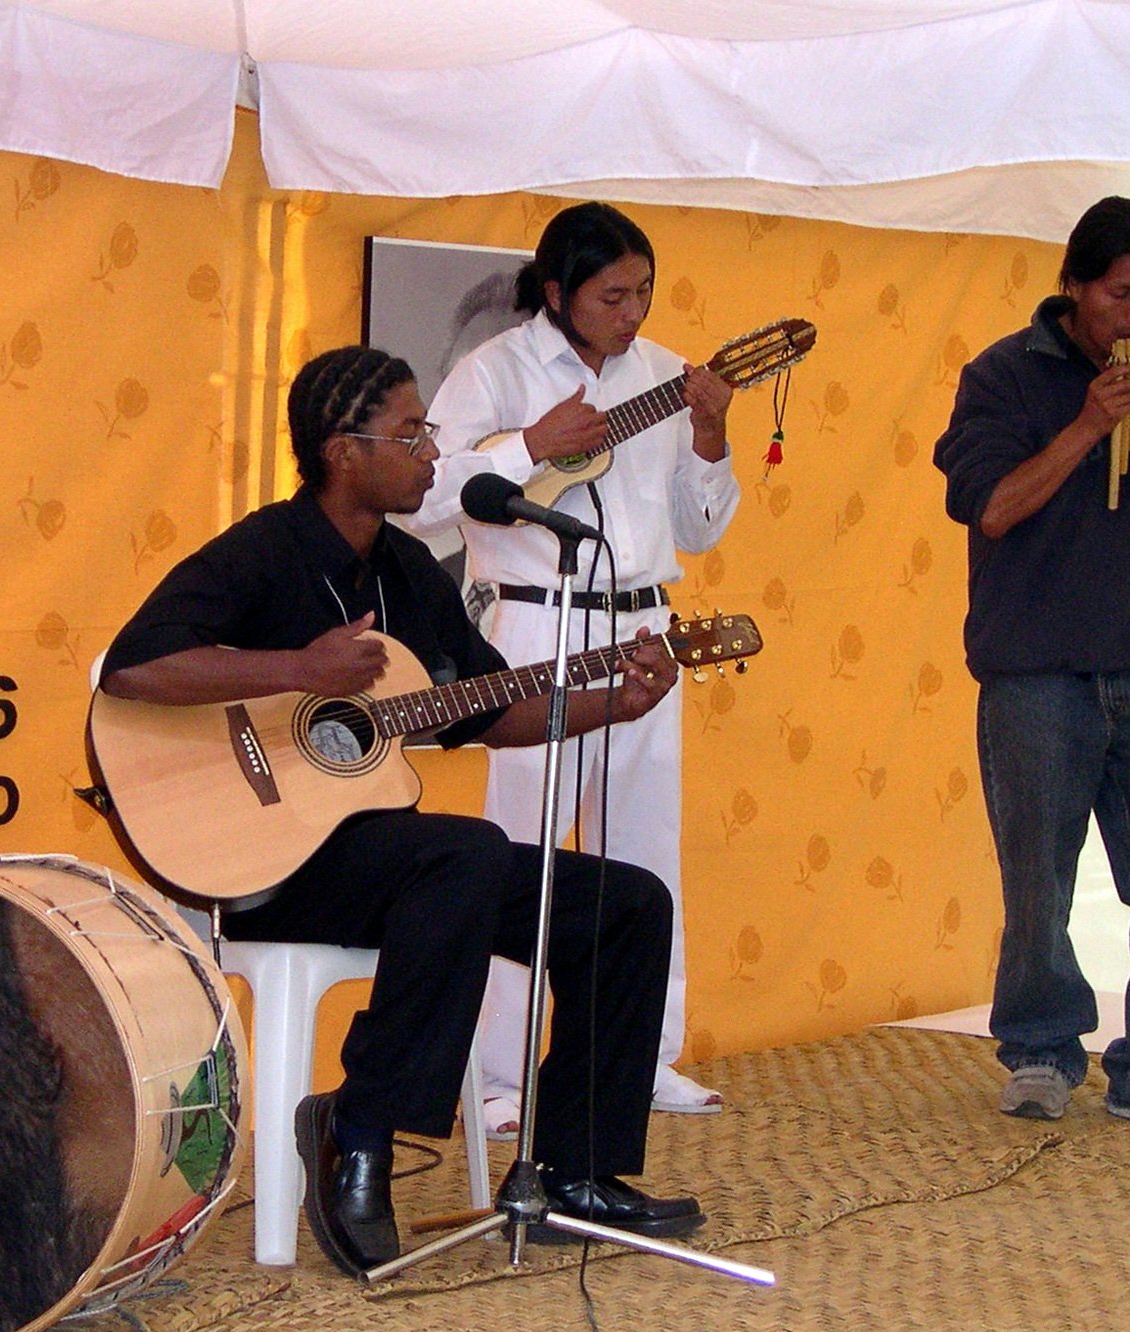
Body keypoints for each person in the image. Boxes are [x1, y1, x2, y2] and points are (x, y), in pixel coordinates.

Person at [99, 345, 704, 1277]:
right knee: (464, 850)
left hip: (394, 871)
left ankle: (576, 1174)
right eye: (412, 433)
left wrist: (612, 701)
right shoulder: (264, 551)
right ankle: (358, 1128)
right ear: (343, 452)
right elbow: (134, 666)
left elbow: (489, 707)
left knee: (624, 904)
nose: (431, 452)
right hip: (266, 866)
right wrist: (300, 670)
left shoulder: (409, 570)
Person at [407, 201, 736, 1132]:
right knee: (522, 851)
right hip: (534, 625)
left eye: (643, 293)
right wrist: (528, 447)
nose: (632, 313)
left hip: (643, 627)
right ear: (556, 292)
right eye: (611, 296)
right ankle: (501, 1076)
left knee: (645, 846)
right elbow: (420, 499)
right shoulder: (496, 371)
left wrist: (710, 438)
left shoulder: (666, 373)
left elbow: (699, 529)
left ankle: (645, 1058)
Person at [932, 196, 1130, 1129]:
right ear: (1072, 285)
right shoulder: (1002, 375)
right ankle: (1040, 1050)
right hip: (1035, 669)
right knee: (1039, 882)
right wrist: (1084, 424)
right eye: (1119, 294)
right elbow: (992, 507)